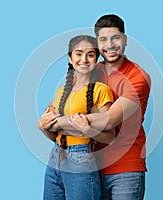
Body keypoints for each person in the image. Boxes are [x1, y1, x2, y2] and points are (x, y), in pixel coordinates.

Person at [51, 14, 151, 200]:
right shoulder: (91, 69)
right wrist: (55, 120)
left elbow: (109, 120)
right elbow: (59, 107)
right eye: (103, 39)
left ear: (125, 40)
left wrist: (58, 122)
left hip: (125, 169)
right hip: (90, 165)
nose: (110, 45)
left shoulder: (137, 77)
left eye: (116, 38)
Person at [38, 35, 115, 200]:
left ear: (96, 59)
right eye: (78, 54)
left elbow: (110, 137)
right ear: (70, 58)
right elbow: (52, 132)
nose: (84, 59)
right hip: (55, 156)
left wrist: (86, 129)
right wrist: (44, 128)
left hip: (82, 158)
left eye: (90, 54)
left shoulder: (101, 90)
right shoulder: (60, 93)